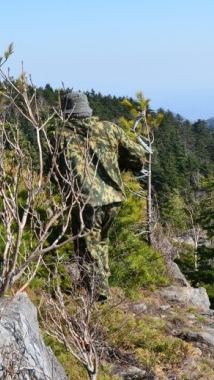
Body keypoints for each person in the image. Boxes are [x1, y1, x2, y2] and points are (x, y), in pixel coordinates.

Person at [55, 91, 148, 302]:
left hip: (86, 201)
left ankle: (99, 298)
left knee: (87, 249)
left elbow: (54, 171)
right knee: (100, 242)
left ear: (66, 112)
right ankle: (102, 284)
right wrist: (120, 165)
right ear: (87, 110)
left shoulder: (61, 136)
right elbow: (138, 156)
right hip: (113, 198)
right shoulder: (109, 129)